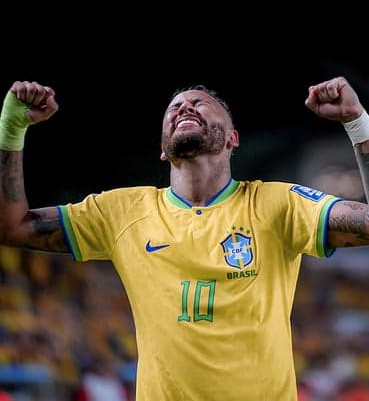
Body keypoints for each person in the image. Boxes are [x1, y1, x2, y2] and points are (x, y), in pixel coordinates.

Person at [0, 77, 368, 401]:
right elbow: (12, 227)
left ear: (232, 139)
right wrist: (11, 129)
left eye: (200, 104)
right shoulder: (122, 212)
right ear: (163, 149)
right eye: (174, 107)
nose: (184, 107)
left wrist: (357, 123)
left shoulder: (277, 204)